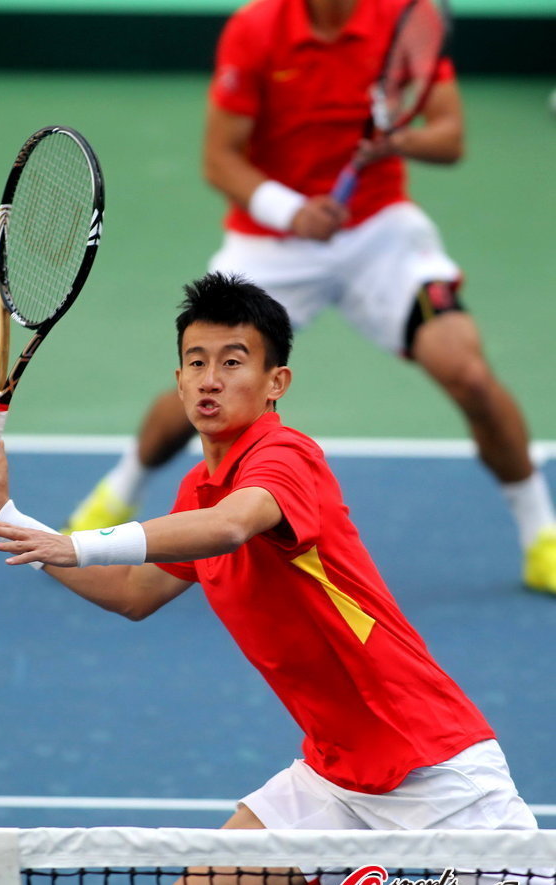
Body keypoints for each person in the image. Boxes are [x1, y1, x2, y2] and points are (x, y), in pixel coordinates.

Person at [0, 272, 554, 885]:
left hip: (430, 762)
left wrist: (76, 543)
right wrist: (7, 515)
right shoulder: (199, 485)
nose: (210, 379)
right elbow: (134, 593)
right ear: (178, 382)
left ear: (276, 383)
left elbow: (233, 526)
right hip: (335, 775)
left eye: (233, 362)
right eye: (196, 362)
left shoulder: (283, 456)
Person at [62, 0, 556, 595]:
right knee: (206, 377)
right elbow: (220, 159)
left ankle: (540, 534)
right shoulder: (256, 30)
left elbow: (449, 139)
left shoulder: (401, 17)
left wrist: (394, 139)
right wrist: (290, 211)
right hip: (272, 243)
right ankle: (119, 488)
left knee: (469, 372)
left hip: (380, 232)